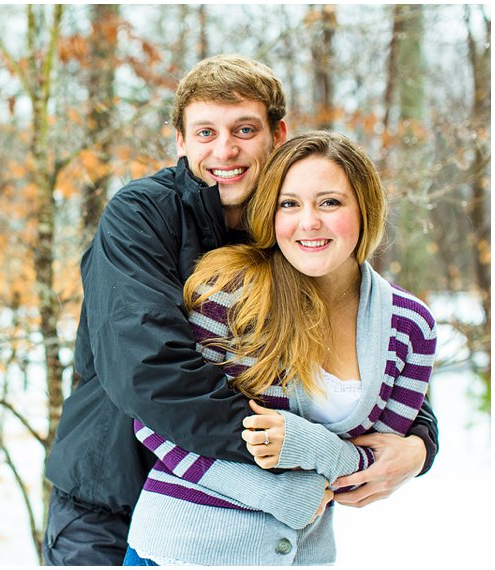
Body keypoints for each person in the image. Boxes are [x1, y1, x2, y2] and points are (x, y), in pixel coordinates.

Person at [42, 55, 439, 566]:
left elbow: (354, 359)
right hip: (110, 497)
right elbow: (148, 373)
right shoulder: (141, 216)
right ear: (180, 142)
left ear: (278, 133)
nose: (224, 149)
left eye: (244, 129)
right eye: (205, 132)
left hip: (242, 517)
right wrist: (301, 454)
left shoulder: (291, 227)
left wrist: (420, 443)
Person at [123, 130, 437, 565]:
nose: (309, 222)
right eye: (290, 204)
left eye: (329, 202)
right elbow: (154, 422)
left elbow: (378, 464)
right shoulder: (231, 293)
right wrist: (274, 490)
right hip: (182, 548)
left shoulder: (409, 326)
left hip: (306, 556)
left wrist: (314, 447)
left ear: (365, 209)